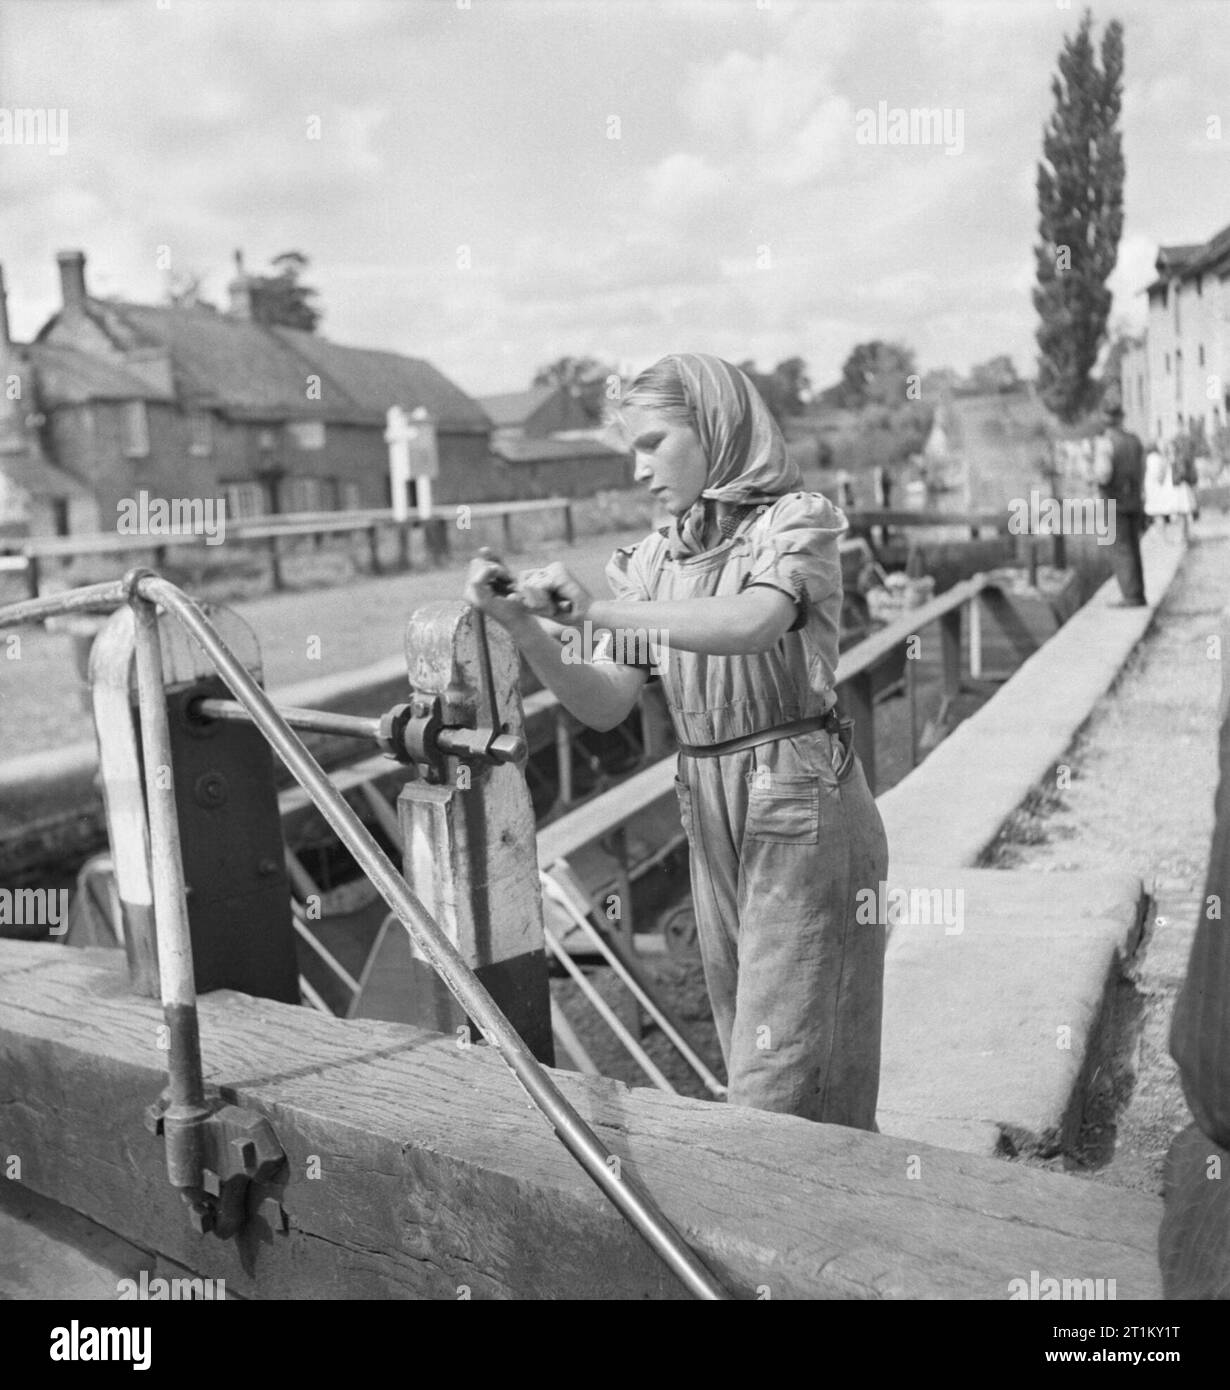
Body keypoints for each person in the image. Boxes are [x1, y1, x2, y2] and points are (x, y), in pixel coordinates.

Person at [465, 353, 889, 1129]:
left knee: (782, 1076)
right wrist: (525, 626)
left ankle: (796, 1226)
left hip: (797, 798)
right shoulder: (656, 563)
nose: (638, 469)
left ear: (718, 429)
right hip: (709, 803)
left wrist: (596, 612)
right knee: (754, 1050)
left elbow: (755, 620)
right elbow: (603, 703)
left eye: (654, 442)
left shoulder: (793, 524)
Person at [1093, 399, 1147, 607]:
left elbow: (1103, 474)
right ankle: (1137, 593)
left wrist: (1093, 478)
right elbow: (1142, 470)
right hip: (1133, 499)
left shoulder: (1106, 442)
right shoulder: (1134, 440)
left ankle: (1131, 596)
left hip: (1113, 500)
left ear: (1106, 419)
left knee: (1120, 549)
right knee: (1133, 547)